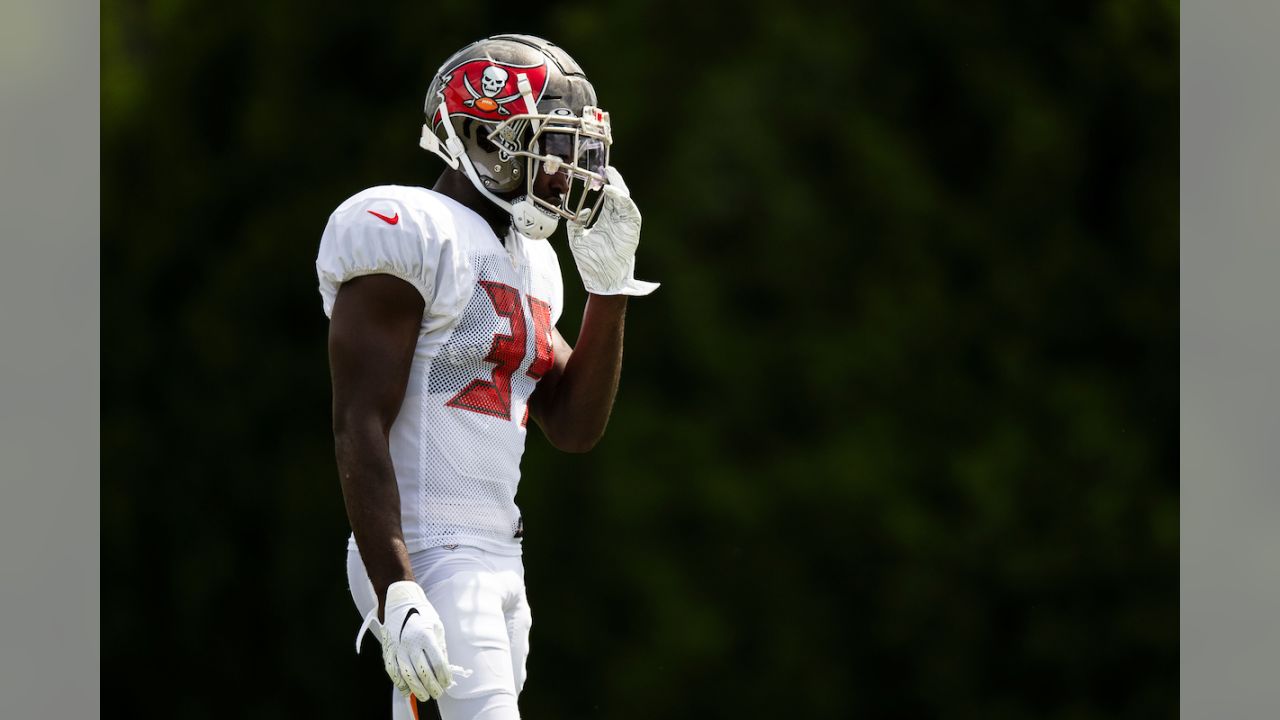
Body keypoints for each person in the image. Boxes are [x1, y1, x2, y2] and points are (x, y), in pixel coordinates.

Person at [316, 34, 657, 720]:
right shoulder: (411, 229)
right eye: (548, 145)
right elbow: (360, 420)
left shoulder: (531, 261)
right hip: (429, 546)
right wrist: (397, 587)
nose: (566, 172)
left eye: (574, 151)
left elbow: (573, 422)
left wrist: (610, 289)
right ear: (480, 136)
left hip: (499, 549)